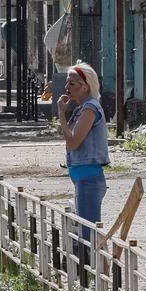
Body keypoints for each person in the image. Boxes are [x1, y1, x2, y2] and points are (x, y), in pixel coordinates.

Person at [54, 62, 109, 248]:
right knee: (86, 234)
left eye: (72, 84)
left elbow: (72, 142)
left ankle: (102, 272)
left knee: (90, 236)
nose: (66, 87)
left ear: (85, 86)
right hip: (81, 180)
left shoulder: (90, 108)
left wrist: (61, 113)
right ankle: (95, 272)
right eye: (67, 83)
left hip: (89, 180)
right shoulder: (81, 109)